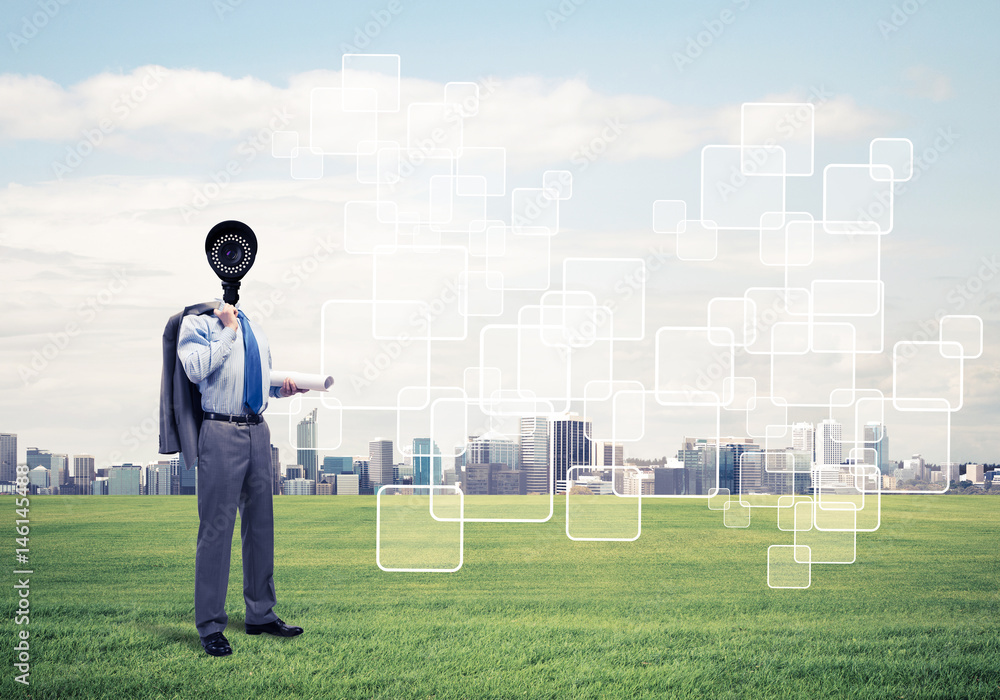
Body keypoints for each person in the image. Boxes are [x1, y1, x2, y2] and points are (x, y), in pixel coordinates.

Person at [177, 300, 307, 657]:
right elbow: (195, 369)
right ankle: (210, 626)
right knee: (217, 530)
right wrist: (229, 329)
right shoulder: (198, 324)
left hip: (258, 432)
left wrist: (282, 390)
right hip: (219, 429)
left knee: (261, 526)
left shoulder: (257, 329)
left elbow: (257, 381)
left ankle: (261, 614)